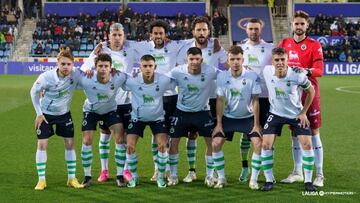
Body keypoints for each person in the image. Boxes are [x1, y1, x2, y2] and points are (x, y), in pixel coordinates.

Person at [81, 23, 137, 183]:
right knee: (104, 136)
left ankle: (124, 169)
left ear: (124, 35)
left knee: (123, 138)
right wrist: (90, 68)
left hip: (125, 100)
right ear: (109, 35)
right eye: (114, 35)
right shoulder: (101, 49)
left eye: (120, 35)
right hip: (106, 101)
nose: (117, 38)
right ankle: (104, 170)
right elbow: (85, 68)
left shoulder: (131, 49)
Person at [176, 16, 227, 183]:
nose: (201, 33)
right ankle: (191, 171)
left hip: (212, 100)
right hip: (191, 101)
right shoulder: (185, 47)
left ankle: (210, 174)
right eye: (198, 29)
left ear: (209, 31)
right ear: (193, 32)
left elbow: (228, 66)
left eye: (204, 29)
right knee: (191, 135)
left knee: (211, 139)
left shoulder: (217, 47)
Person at [278, 10, 325, 187]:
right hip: (290, 96)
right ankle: (297, 171)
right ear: (292, 25)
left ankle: (319, 174)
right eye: (296, 23)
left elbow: (320, 70)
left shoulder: (313, 45)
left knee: (313, 132)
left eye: (302, 24)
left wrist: (306, 71)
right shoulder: (284, 43)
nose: (299, 27)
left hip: (309, 93)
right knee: (294, 133)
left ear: (307, 25)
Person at [261, 47, 316, 192]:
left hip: (295, 115)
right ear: (272, 61)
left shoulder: (297, 75)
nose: (280, 63)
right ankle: (268, 180)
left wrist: (304, 112)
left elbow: (311, 91)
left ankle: (308, 181)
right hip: (275, 113)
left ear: (287, 60)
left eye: (282, 59)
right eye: (277, 60)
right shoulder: (267, 71)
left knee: (307, 145)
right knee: (266, 145)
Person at [30, 50, 83, 190]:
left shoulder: (76, 74)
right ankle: (41, 180)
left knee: (70, 144)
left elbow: (90, 71)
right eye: (63, 64)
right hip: (46, 115)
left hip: (64, 114)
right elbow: (33, 92)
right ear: (57, 63)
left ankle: (71, 178)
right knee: (42, 145)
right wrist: (39, 113)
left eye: (69, 64)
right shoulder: (46, 77)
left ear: (73, 64)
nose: (66, 67)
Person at [211, 46, 262, 189]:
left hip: (247, 117)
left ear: (243, 60)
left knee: (258, 143)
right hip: (229, 117)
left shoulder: (252, 76)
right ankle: (221, 178)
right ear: (227, 61)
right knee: (215, 143)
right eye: (232, 59)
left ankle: (253, 179)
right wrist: (219, 124)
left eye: (238, 59)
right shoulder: (222, 76)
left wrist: (257, 124)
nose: (235, 62)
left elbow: (255, 100)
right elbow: (220, 100)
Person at [123, 55, 175, 188]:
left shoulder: (163, 80)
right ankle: (134, 176)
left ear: (155, 67)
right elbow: (118, 80)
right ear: (140, 67)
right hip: (137, 118)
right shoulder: (133, 81)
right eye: (145, 66)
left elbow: (179, 81)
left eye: (150, 66)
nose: (147, 69)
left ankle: (160, 176)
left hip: (157, 118)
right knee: (129, 146)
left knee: (163, 145)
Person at [167, 47, 217, 187]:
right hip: (181, 112)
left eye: (197, 59)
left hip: (202, 112)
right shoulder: (177, 71)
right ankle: (174, 175)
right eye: (191, 59)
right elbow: (161, 79)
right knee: (174, 142)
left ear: (201, 59)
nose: (194, 62)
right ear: (186, 60)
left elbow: (227, 75)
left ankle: (209, 175)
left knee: (211, 143)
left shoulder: (210, 70)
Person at [78, 54, 127, 187]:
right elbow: (68, 80)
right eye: (100, 66)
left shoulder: (119, 77)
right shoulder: (86, 79)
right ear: (95, 67)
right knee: (87, 140)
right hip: (91, 110)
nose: (103, 69)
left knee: (120, 139)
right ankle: (87, 176)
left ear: (111, 68)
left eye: (106, 66)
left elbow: (134, 83)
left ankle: (119, 175)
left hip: (110, 110)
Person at [237, 18, 274, 182]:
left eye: (256, 29)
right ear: (246, 30)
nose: (253, 31)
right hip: (247, 98)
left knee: (267, 138)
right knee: (246, 135)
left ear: (261, 30)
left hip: (266, 97)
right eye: (251, 29)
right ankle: (245, 167)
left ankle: (268, 172)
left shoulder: (270, 48)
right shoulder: (240, 49)